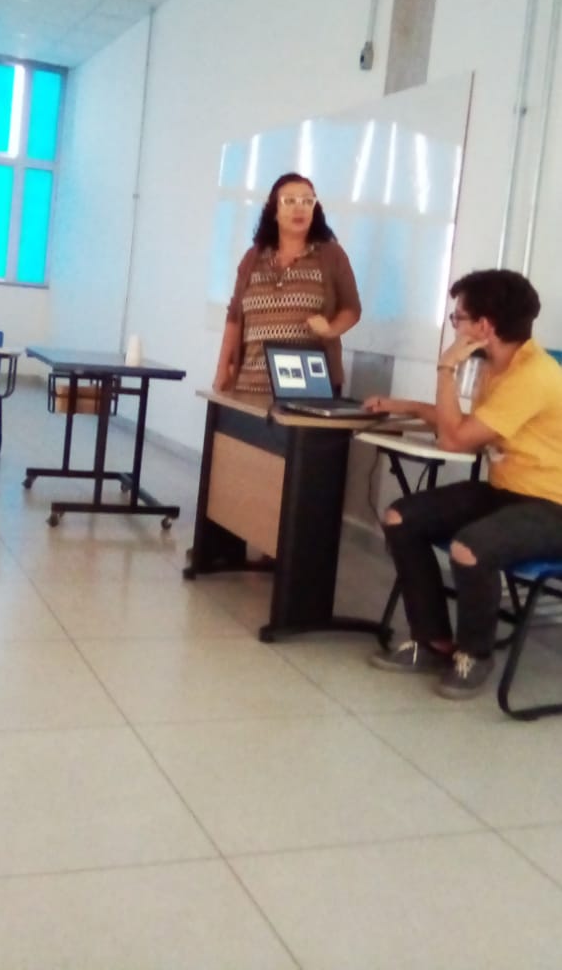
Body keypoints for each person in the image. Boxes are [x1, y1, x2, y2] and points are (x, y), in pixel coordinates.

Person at [366, 268, 562, 699]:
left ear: (484, 327)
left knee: (470, 547)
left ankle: (475, 654)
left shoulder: (533, 375)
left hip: (552, 507)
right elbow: (471, 426)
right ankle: (433, 640)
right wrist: (406, 406)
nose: (454, 326)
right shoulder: (500, 365)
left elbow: (455, 439)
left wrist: (445, 368)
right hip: (507, 493)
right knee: (401, 518)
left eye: (458, 318)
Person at [213, 172, 361, 395]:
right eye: (289, 201)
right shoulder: (253, 257)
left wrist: (330, 330)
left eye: (307, 201)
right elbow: (234, 318)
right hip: (249, 385)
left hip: (308, 390)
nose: (299, 208)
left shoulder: (331, 255)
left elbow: (352, 309)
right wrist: (222, 369)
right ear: (274, 210)